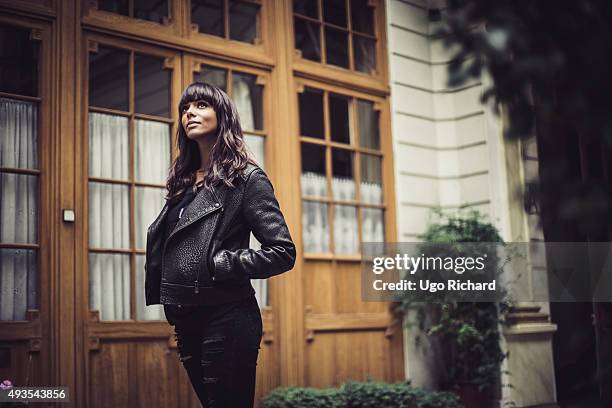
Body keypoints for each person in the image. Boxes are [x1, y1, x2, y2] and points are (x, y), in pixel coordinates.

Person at [144, 82, 296, 407]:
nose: (190, 113)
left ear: (222, 115)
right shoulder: (183, 183)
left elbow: (282, 252)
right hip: (186, 317)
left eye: (201, 105)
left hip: (228, 316)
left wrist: (221, 264)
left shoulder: (247, 179)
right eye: (185, 108)